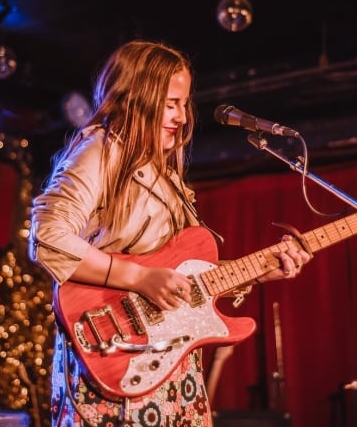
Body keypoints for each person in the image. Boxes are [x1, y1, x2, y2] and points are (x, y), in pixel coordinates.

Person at [28, 39, 311, 427]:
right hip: (114, 352)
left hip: (168, 365)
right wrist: (139, 277)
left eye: (184, 103)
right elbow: (48, 236)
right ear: (136, 99)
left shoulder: (167, 173)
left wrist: (258, 271)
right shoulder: (100, 149)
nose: (181, 116)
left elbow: (181, 276)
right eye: (170, 103)